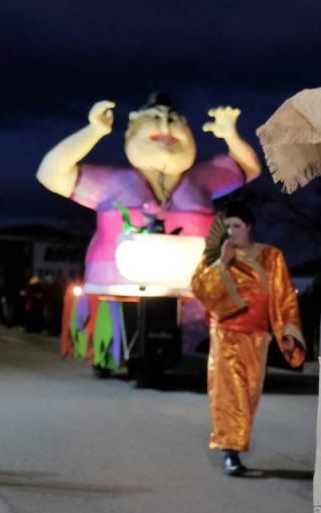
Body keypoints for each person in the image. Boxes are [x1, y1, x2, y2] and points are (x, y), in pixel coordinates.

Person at [36, 93, 260, 291]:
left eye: (173, 121)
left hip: (194, 294)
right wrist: (93, 131)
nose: (165, 127)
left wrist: (232, 136)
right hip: (116, 290)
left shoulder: (201, 179)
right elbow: (50, 173)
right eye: (154, 119)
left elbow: (249, 168)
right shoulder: (111, 183)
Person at [191, 202, 305, 477]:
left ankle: (237, 445)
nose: (231, 231)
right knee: (230, 395)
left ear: (249, 227)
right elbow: (199, 288)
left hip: (256, 338)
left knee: (249, 394)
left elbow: (283, 296)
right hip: (225, 336)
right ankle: (230, 451)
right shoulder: (217, 258)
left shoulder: (270, 257)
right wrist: (222, 262)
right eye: (228, 226)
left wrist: (287, 332)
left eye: (237, 226)